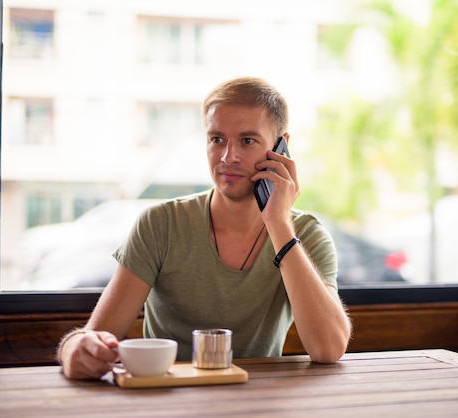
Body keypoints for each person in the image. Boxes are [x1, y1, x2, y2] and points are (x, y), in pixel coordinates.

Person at [56, 76, 352, 380]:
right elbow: (94, 336)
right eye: (217, 139)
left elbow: (328, 349)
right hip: (169, 398)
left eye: (247, 141)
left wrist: (278, 224)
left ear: (281, 148)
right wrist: (74, 349)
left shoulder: (307, 234)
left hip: (260, 402)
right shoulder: (161, 224)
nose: (228, 157)